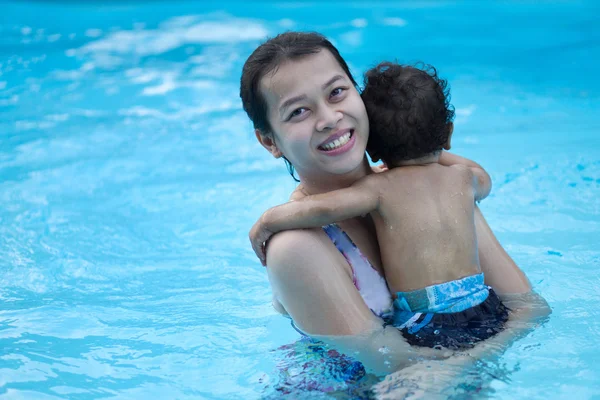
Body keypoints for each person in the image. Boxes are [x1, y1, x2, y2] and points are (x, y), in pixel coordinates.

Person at [240, 31, 540, 375]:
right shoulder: (296, 246)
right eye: (298, 111)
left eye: (337, 92)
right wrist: (483, 354)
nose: (329, 118)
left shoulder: (436, 188)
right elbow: (393, 364)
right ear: (269, 142)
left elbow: (528, 307)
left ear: (360, 96)